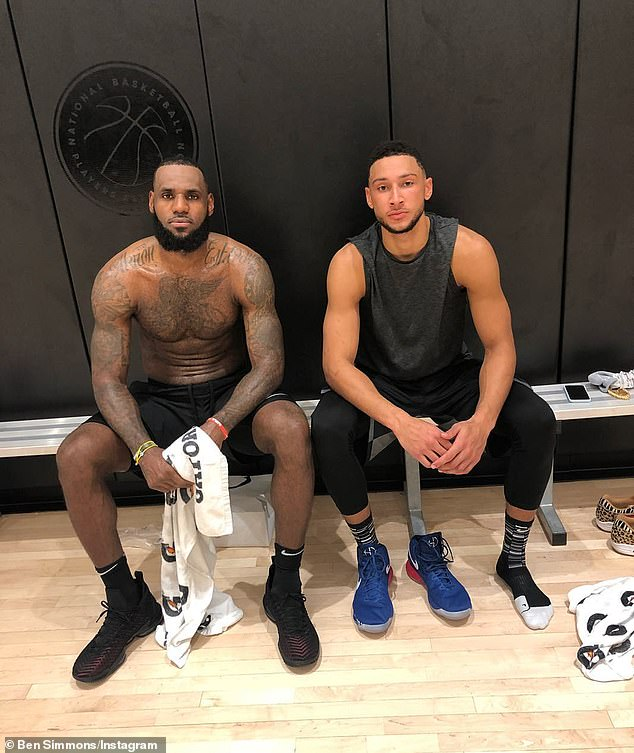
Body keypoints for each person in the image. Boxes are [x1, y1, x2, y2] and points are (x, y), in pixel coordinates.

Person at [57, 158, 320, 682]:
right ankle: (127, 603)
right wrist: (142, 449)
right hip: (162, 399)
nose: (180, 207)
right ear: (152, 203)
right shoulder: (121, 276)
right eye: (169, 196)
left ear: (209, 204)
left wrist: (219, 427)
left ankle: (285, 589)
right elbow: (107, 380)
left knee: (292, 429)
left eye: (192, 196)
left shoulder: (242, 266)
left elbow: (269, 364)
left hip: (233, 395)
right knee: (75, 456)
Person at [311, 140, 556, 634]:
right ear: (369, 198)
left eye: (406, 184)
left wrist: (482, 423)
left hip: (449, 375)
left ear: (426, 188)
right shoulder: (350, 261)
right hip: (381, 381)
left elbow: (500, 347)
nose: (396, 197)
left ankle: (512, 558)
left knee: (536, 419)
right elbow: (336, 366)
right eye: (383, 188)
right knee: (327, 427)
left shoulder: (468, 248)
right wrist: (401, 423)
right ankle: (371, 553)